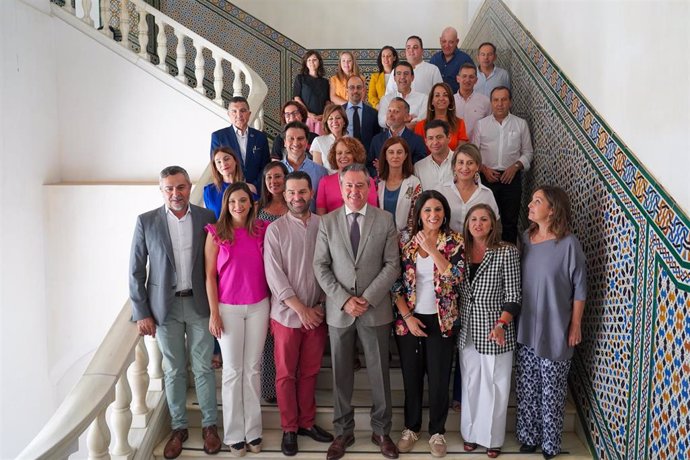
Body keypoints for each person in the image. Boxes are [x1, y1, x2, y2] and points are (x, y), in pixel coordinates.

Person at [129, 166, 220, 459]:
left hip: (199, 304)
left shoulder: (207, 218)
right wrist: (142, 311)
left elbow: (216, 265)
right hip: (163, 309)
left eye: (180, 187)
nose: (175, 193)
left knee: (203, 367)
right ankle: (179, 428)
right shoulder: (146, 222)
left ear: (189, 187)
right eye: (169, 188)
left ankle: (209, 426)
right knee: (174, 370)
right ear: (161, 190)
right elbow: (135, 270)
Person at [313, 163, 401, 460]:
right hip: (340, 312)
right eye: (348, 186)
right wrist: (344, 299)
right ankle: (343, 432)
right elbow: (321, 266)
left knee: (379, 374)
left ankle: (382, 431)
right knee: (341, 374)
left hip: (375, 310)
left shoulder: (385, 220)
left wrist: (367, 297)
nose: (354, 191)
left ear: (369, 187)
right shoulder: (327, 223)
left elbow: (392, 265)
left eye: (360, 185)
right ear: (340, 188)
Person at [264, 171, 335, 456]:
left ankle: (307, 422)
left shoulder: (325, 226)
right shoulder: (275, 230)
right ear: (284, 194)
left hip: (317, 314)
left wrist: (320, 308)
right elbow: (274, 275)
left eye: (302, 191)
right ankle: (289, 428)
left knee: (309, 372)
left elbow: (333, 267)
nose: (296, 197)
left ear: (311, 192)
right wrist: (301, 309)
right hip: (286, 316)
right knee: (285, 374)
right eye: (291, 192)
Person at [516, 186, 586, 459]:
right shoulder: (526, 238)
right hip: (527, 325)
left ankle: (550, 443)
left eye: (537, 201)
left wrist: (576, 325)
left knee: (552, 389)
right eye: (531, 200)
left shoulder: (569, 244)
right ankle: (529, 436)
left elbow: (580, 288)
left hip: (556, 327)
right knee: (528, 384)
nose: (531, 205)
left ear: (552, 209)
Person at [392, 190, 463, 457]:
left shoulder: (454, 241)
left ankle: (437, 432)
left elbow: (455, 277)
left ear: (445, 213)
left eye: (437, 210)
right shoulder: (406, 242)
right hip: (409, 319)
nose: (433, 215)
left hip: (441, 320)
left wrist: (433, 250)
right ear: (419, 215)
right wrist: (407, 317)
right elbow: (395, 282)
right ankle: (411, 427)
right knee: (411, 376)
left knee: (438, 376)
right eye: (427, 211)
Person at [204, 182, 270, 456]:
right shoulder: (215, 233)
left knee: (253, 370)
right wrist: (214, 313)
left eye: (242, 201)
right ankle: (234, 434)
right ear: (226, 205)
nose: (238, 206)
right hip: (228, 308)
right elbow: (209, 275)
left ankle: (253, 432)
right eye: (232, 202)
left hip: (258, 306)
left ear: (251, 203)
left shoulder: (262, 230)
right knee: (232, 372)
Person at [457, 204, 520, 459]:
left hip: (496, 329)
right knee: (471, 382)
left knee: (495, 384)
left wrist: (502, 323)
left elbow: (514, 295)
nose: (478, 223)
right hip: (467, 328)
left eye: (484, 219)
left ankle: (492, 439)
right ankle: (470, 434)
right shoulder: (459, 251)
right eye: (474, 219)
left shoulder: (507, 251)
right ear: (467, 223)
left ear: (493, 223)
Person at [472, 86, 533, 243]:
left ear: (510, 102)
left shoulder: (521, 124)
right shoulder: (481, 125)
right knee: (486, 220)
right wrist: (484, 169)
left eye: (504, 99)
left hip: (511, 179)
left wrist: (516, 166)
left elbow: (528, 153)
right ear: (491, 103)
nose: (500, 104)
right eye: (496, 100)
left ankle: (509, 259)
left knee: (510, 223)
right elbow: (473, 153)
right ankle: (486, 256)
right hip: (486, 179)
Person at [256, 161, 289, 405]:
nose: (274, 182)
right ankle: (270, 387)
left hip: (295, 276)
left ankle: (292, 382)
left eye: (278, 177)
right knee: (270, 333)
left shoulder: (296, 206)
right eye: (270, 178)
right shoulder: (259, 210)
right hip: (266, 276)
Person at [210, 96, 271, 191]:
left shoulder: (260, 137)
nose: (238, 115)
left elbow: (266, 166)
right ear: (229, 114)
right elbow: (216, 166)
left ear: (249, 114)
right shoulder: (218, 137)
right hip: (230, 191)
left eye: (242, 111)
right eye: (234, 111)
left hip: (256, 191)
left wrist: (255, 186)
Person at [439, 143, 499, 233]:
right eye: (461, 162)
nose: (465, 167)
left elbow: (494, 226)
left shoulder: (487, 194)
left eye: (470, 163)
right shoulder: (442, 191)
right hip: (447, 245)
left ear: (477, 166)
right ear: (454, 166)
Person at [316, 136, 378, 215]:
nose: (343, 156)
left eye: (348, 152)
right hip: (333, 226)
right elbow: (321, 216)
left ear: (356, 155)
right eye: (339, 153)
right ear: (334, 156)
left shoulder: (368, 180)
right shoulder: (325, 182)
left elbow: (373, 212)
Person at [368, 98, 427, 176]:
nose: (391, 115)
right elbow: (369, 166)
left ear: (407, 117)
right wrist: (380, 173)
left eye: (396, 111)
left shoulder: (417, 141)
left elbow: (419, 168)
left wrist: (386, 169)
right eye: (389, 110)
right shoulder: (377, 140)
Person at [281, 121, 329, 212]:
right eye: (291, 138)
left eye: (300, 138)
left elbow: (323, 205)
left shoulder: (321, 172)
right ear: (284, 142)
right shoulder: (275, 171)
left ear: (307, 142)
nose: (296, 143)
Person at [376, 137, 422, 231]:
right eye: (391, 152)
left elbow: (415, 215)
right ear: (385, 155)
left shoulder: (414, 183)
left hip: (406, 239)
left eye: (399, 152)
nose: (395, 156)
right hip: (380, 236)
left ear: (405, 156)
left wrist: (402, 239)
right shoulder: (377, 183)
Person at [204, 147, 257, 219]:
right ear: (215, 167)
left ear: (235, 161)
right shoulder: (209, 191)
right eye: (218, 162)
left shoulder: (250, 188)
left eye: (226, 159)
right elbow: (207, 220)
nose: (223, 164)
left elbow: (255, 217)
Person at [414, 82, 469, 152]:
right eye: (437, 95)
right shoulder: (420, 126)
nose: (441, 98)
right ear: (432, 101)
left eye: (445, 95)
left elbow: (462, 151)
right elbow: (419, 152)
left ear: (450, 100)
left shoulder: (459, 123)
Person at [378, 62, 429, 129]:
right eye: (399, 73)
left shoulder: (424, 98)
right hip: (391, 138)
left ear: (412, 77)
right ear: (394, 78)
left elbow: (422, 120)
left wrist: (394, 122)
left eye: (406, 73)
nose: (402, 77)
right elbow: (382, 121)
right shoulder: (385, 99)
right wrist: (408, 120)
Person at [293, 50, 330, 135]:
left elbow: (327, 101)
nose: (311, 62)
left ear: (319, 62)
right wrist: (308, 114)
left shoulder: (325, 82)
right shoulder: (300, 78)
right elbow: (297, 98)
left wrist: (323, 115)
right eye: (309, 60)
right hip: (305, 118)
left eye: (314, 60)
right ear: (305, 63)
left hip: (321, 119)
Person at [343, 75, 381, 153]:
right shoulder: (339, 112)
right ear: (347, 90)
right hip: (344, 156)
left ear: (363, 90)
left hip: (367, 159)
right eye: (352, 87)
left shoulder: (373, 114)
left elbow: (377, 139)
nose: (355, 91)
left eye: (359, 87)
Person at [429, 27, 474, 94]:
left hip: (458, 102)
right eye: (444, 41)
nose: (447, 45)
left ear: (457, 42)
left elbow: (471, 83)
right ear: (440, 40)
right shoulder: (434, 59)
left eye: (451, 42)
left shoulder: (465, 60)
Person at [414, 120, 454, 191]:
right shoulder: (418, 167)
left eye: (439, 137)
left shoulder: (462, 162)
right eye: (430, 138)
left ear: (449, 138)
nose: (435, 142)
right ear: (426, 141)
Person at [454, 63, 491, 139]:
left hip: (477, 147)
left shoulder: (485, 101)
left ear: (476, 80)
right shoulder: (450, 101)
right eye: (464, 76)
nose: (467, 80)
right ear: (458, 79)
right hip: (454, 148)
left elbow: (490, 125)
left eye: (471, 77)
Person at [311, 104, 348, 172]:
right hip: (327, 181)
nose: (334, 121)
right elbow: (317, 171)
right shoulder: (318, 141)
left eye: (338, 118)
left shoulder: (352, 141)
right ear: (326, 123)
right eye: (330, 118)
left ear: (344, 121)